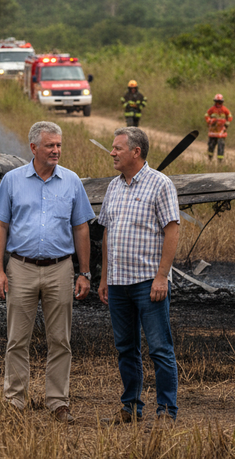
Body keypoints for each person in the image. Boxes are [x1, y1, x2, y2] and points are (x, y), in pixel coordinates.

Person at [0, 121, 96, 424]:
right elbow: (0, 226)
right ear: (33, 147)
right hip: (20, 267)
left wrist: (84, 272)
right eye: (50, 145)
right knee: (17, 339)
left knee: (60, 340)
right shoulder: (12, 181)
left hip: (60, 269)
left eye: (59, 145)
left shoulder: (72, 181)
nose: (56, 150)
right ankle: (14, 401)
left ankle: (58, 402)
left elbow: (81, 227)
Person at [97, 127, 180, 425]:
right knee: (126, 349)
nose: (112, 152)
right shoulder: (114, 186)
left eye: (117, 148)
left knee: (159, 348)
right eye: (112, 147)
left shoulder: (160, 184)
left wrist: (162, 277)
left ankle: (167, 411)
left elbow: (172, 229)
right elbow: (107, 233)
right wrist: (104, 277)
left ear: (136, 151)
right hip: (118, 283)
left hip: (148, 282)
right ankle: (131, 406)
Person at [205, 94, 232, 161]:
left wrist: (226, 124)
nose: (218, 103)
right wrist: (209, 121)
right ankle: (210, 159)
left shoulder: (225, 109)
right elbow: (206, 115)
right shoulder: (212, 109)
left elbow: (230, 117)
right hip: (213, 131)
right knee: (211, 146)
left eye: (220, 102)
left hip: (221, 132)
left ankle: (220, 161)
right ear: (215, 102)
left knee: (221, 146)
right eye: (217, 102)